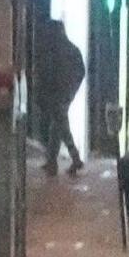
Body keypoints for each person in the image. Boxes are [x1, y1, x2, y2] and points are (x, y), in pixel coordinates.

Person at [25, 11, 87, 174]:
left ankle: (74, 157)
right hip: (64, 93)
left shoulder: (54, 52)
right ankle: (53, 160)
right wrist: (72, 89)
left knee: (60, 124)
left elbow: (46, 73)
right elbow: (80, 71)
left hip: (57, 94)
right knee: (57, 125)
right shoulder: (71, 50)